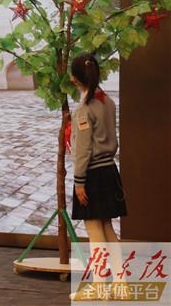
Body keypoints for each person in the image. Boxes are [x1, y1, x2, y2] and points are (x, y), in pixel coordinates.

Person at [69, 53, 127, 261]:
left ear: (74, 79)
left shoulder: (84, 109)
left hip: (92, 175)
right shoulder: (107, 101)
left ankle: (100, 278)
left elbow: (83, 149)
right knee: (107, 226)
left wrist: (79, 182)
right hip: (109, 171)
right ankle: (120, 278)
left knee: (94, 228)